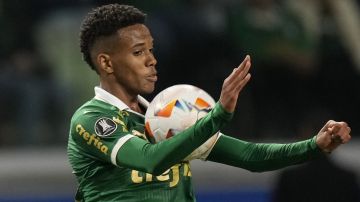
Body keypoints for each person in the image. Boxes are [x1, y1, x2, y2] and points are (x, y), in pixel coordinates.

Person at [67, 4, 352, 202]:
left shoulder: (166, 114)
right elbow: (149, 160)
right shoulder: (92, 119)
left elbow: (250, 156)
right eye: (138, 52)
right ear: (106, 62)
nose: (152, 60)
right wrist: (216, 116)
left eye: (151, 50)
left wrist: (314, 145)